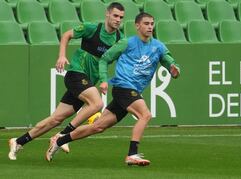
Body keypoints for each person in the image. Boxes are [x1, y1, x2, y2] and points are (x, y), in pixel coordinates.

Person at [45, 12, 180, 166]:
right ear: (137, 26)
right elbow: (104, 59)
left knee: (98, 127)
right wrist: (103, 80)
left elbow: (171, 62)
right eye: (146, 23)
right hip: (123, 87)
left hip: (133, 92)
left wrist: (174, 69)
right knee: (145, 114)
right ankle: (132, 154)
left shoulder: (159, 47)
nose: (150, 27)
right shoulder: (126, 43)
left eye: (151, 24)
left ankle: (59, 140)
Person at [8, 2, 125, 160]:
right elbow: (66, 35)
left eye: (121, 17)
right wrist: (62, 55)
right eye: (115, 15)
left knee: (55, 118)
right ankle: (62, 136)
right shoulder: (92, 28)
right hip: (76, 73)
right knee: (97, 104)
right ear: (108, 14)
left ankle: (18, 141)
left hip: (88, 82)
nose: (118, 20)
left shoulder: (120, 39)